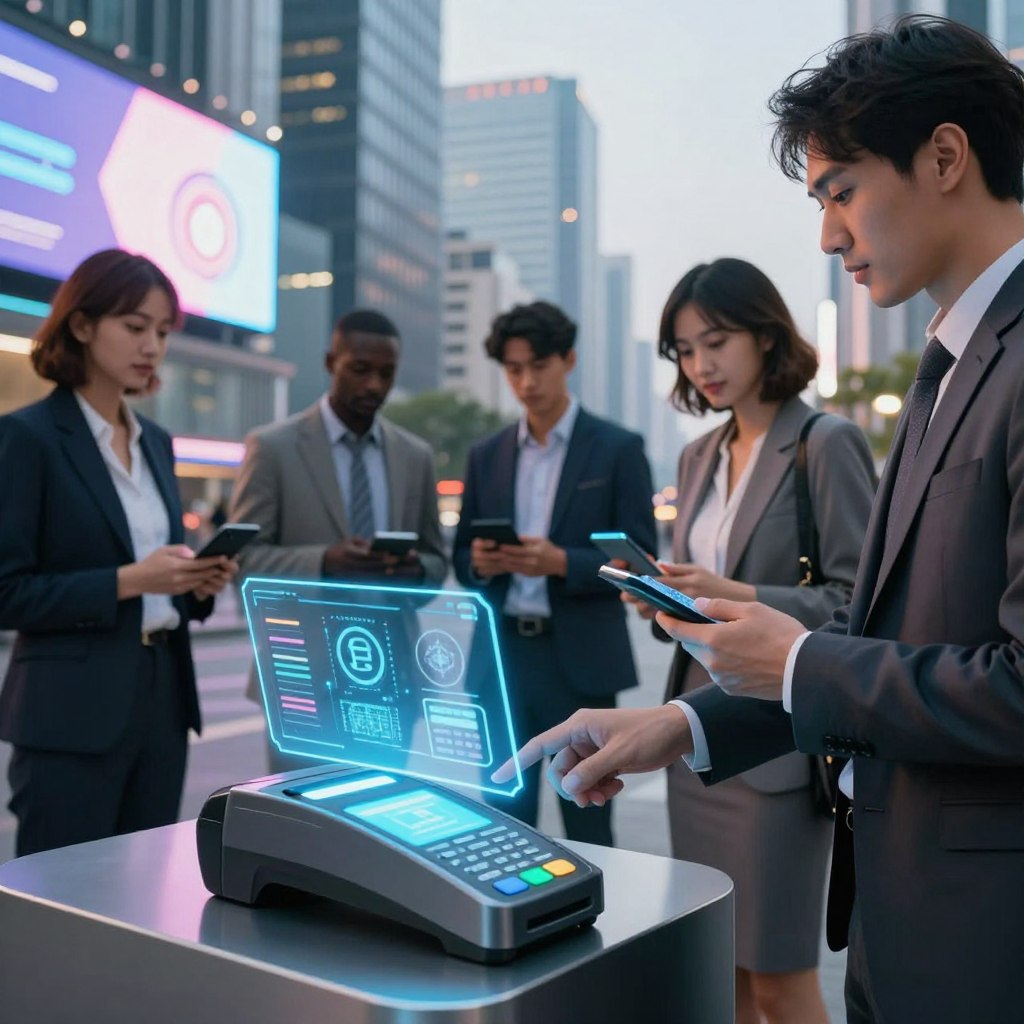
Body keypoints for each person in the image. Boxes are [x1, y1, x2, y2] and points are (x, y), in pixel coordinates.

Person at [494, 16, 1024, 1022]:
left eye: (839, 191)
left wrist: (789, 663)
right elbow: (887, 636)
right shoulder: (945, 367)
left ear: (944, 156)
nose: (827, 234)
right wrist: (678, 721)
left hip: (986, 924)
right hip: (904, 904)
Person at [631, 258, 874, 1024]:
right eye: (684, 350)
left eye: (716, 341)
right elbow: (705, 595)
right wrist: (666, 602)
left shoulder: (824, 442)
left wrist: (730, 594)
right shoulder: (696, 456)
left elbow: (857, 604)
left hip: (778, 748)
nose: (701, 365)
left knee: (778, 977)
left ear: (766, 336)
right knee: (718, 973)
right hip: (696, 740)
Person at [0, 249, 237, 857]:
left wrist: (194, 584)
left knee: (140, 895)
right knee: (61, 902)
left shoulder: (156, 440)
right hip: (70, 713)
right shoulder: (27, 438)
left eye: (161, 332)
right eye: (135, 327)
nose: (152, 346)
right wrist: (130, 580)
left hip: (162, 699)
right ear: (82, 325)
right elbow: (8, 592)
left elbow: (160, 581)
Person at [453, 301, 656, 846]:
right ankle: (504, 925)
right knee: (502, 816)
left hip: (581, 664)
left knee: (588, 816)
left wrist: (560, 562)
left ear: (568, 359)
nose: (525, 381)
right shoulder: (486, 454)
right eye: (513, 369)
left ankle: (597, 926)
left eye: (537, 366)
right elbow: (460, 558)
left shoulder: (617, 449)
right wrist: (480, 563)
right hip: (501, 658)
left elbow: (643, 562)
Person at [231, 309, 446, 767]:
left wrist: (414, 571)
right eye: (360, 369)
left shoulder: (415, 456)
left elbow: (436, 561)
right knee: (299, 831)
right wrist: (325, 562)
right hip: (302, 678)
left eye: (386, 374)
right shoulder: (273, 447)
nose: (374, 386)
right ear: (331, 362)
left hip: (390, 679)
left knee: (379, 828)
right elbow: (243, 562)